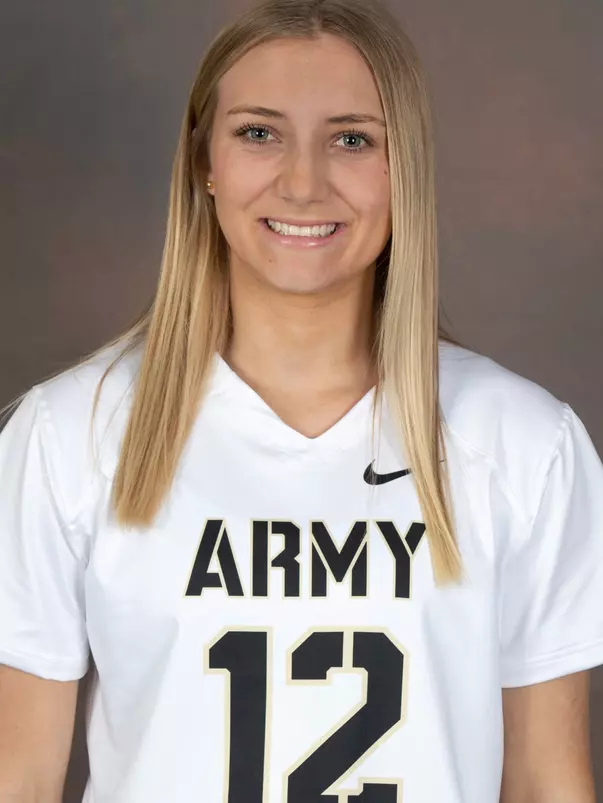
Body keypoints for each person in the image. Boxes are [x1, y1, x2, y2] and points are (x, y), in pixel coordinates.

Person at [1, 0, 602, 801]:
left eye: (351, 139)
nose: (302, 181)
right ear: (202, 161)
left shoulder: (527, 443)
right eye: (258, 132)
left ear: (405, 165)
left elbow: (545, 781)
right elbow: (21, 778)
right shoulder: (68, 433)